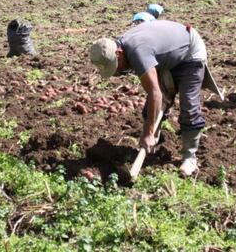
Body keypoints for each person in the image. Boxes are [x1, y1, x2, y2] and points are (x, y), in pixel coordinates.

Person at [89, 20, 209, 176]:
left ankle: (189, 158)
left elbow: (155, 93)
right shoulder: (124, 47)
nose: (118, 71)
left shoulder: (138, 52)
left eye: (116, 66)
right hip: (167, 57)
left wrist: (147, 132)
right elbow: (156, 96)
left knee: (188, 106)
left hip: (190, 52)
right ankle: (151, 145)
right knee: (153, 107)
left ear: (118, 53)